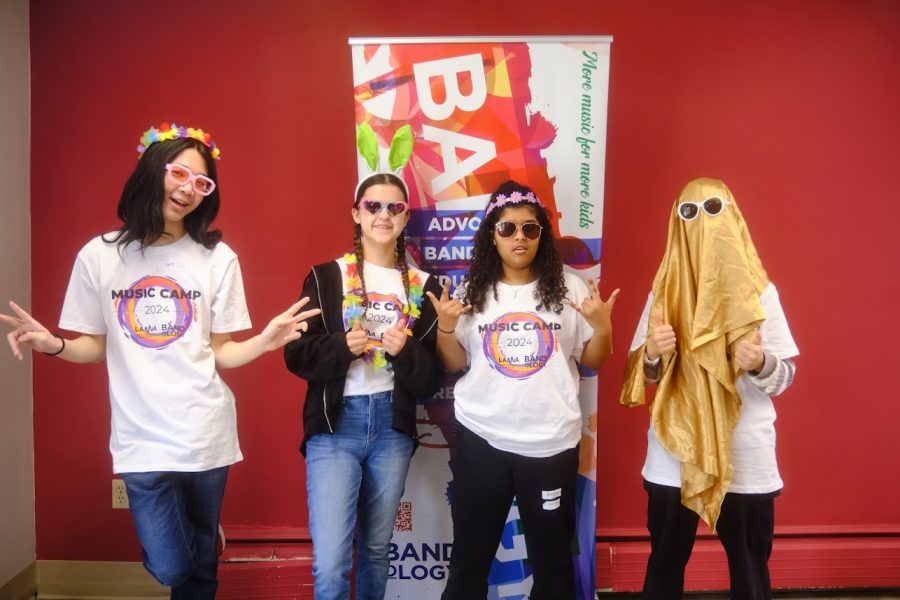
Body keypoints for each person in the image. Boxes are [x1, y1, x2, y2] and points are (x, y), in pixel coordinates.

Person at [0, 123, 319, 599]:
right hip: (140, 434)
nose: (189, 189)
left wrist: (267, 341)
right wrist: (55, 345)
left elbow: (224, 352)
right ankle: (206, 540)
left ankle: (205, 543)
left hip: (204, 428)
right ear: (154, 170)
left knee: (199, 578)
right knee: (174, 565)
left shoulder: (217, 258)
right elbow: (93, 344)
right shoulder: (100, 256)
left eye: (202, 183)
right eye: (180, 173)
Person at [428, 180, 619, 600]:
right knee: (468, 561)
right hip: (483, 439)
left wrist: (602, 327)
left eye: (530, 229)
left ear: (541, 235)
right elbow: (455, 363)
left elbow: (593, 360)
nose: (519, 238)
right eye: (508, 229)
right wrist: (444, 327)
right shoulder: (472, 291)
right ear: (492, 236)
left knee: (552, 566)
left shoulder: (570, 288)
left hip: (550, 444)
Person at [620, 177, 799, 600]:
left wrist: (759, 363)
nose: (702, 223)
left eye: (714, 210)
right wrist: (652, 355)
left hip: (744, 454)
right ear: (676, 223)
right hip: (672, 452)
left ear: (733, 217)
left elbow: (785, 377)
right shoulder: (662, 293)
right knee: (663, 565)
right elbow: (640, 377)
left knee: (750, 571)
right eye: (690, 212)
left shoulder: (760, 295)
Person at [283, 166, 443, 599]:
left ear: (406, 217)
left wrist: (404, 352)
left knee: (375, 550)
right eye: (373, 206)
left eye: (395, 207)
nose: (383, 214)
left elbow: (431, 379)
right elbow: (295, 355)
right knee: (332, 561)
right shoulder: (326, 277)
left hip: (392, 428)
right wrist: (342, 346)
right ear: (356, 214)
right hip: (336, 428)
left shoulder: (427, 289)